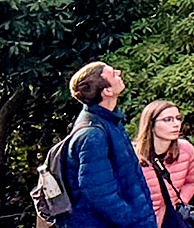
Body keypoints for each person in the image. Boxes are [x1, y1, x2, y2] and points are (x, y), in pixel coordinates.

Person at [63, 62, 161, 228]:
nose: (119, 72)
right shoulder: (92, 134)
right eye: (113, 74)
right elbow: (99, 194)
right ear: (107, 91)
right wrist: (133, 220)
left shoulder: (108, 121)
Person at [135, 101, 194, 228]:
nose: (176, 124)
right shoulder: (133, 157)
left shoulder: (186, 150)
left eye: (178, 118)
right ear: (151, 124)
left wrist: (178, 204)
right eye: (168, 120)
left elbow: (191, 181)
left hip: (172, 220)